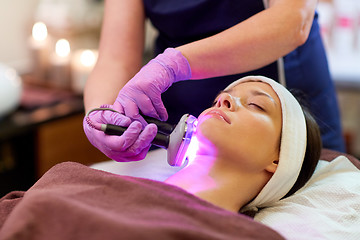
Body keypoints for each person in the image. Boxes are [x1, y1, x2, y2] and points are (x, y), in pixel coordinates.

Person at [0, 77, 321, 239]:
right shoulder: (78, 179)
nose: (224, 100)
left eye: (256, 106)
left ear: (280, 159)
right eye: (223, 97)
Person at [83, 0, 344, 162]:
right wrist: (101, 113)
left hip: (281, 118)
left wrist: (174, 64)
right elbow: (115, 59)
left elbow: (292, 21)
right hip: (179, 128)